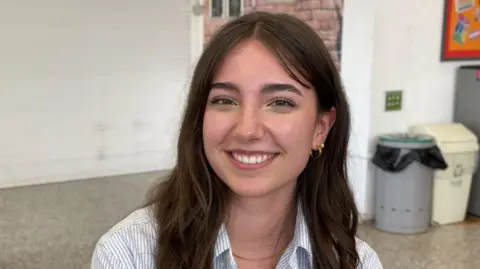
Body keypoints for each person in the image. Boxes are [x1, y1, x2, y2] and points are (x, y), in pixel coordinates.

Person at [90, 11, 383, 269]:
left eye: (280, 102)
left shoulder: (356, 262)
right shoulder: (127, 255)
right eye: (225, 100)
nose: (247, 130)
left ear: (320, 128)